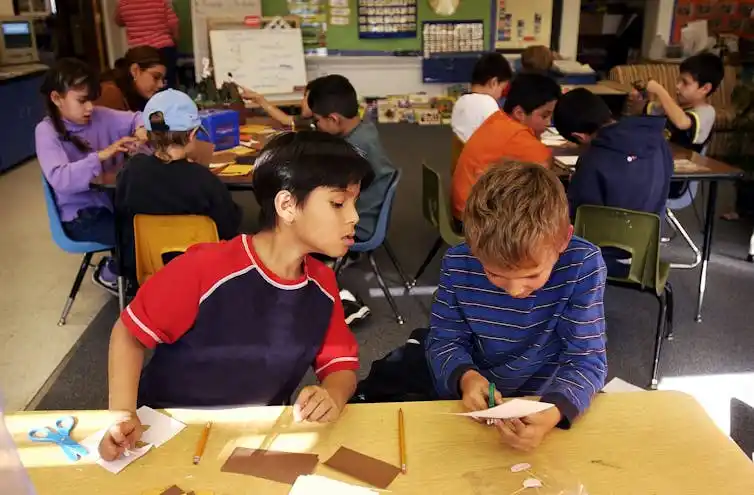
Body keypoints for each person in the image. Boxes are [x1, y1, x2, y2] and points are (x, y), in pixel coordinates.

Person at [98, 131, 373, 461]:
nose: (354, 216)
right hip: (169, 431)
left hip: (252, 440)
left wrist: (332, 394)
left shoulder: (323, 284)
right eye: (339, 203)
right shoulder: (205, 268)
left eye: (355, 203)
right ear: (286, 205)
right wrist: (122, 414)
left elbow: (340, 365)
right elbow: (130, 334)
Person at [426, 162, 607, 452]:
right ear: (472, 245)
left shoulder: (583, 265)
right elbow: (443, 340)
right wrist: (466, 377)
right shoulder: (459, 263)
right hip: (476, 406)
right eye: (495, 274)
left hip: (549, 400)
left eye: (532, 275)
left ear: (563, 240)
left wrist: (553, 411)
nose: (514, 290)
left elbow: (587, 360)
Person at [35, 58, 145, 294]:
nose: (90, 108)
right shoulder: (47, 132)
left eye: (91, 100)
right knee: (137, 235)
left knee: (154, 220)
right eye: (81, 100)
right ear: (56, 98)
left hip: (111, 204)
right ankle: (113, 273)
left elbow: (138, 117)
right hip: (79, 216)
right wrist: (102, 156)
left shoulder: (100, 116)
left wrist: (141, 132)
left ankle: (135, 275)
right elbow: (61, 180)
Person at [115, 89, 242, 283]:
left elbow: (122, 222)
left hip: (148, 274)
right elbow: (229, 230)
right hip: (205, 277)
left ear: (149, 134)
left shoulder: (130, 172)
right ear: (192, 135)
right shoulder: (205, 181)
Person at [307, 74, 398, 324]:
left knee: (294, 225)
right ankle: (335, 289)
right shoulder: (364, 130)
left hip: (360, 222)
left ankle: (338, 298)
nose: (315, 126)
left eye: (317, 121)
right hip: (365, 211)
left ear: (334, 119)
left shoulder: (354, 151)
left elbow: (330, 192)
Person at [451, 73, 560, 219]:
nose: (548, 123)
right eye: (544, 116)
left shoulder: (497, 119)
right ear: (519, 113)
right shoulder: (518, 136)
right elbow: (546, 172)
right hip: (478, 218)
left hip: (466, 206)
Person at [553, 87, 673, 219]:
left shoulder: (592, 160)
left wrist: (575, 184)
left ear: (580, 136)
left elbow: (580, 214)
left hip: (603, 238)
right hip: (650, 236)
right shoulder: (660, 142)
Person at [631, 52, 724, 200]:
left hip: (674, 180)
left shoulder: (706, 112)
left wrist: (660, 91)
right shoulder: (675, 107)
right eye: (678, 80)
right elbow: (642, 111)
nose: (677, 86)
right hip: (653, 168)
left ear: (705, 88)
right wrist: (639, 99)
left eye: (685, 83)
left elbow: (682, 123)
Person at [115, 0, 179, 87]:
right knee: (167, 83)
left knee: (142, 86)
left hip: (140, 52)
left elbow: (119, 21)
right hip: (163, 47)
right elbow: (173, 23)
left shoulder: (124, 3)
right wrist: (175, 41)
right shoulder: (160, 2)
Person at [451, 52, 512, 143]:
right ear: (494, 83)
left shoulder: (460, 101)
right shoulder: (488, 103)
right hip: (484, 155)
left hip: (464, 155)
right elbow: (502, 139)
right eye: (502, 89)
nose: (500, 95)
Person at [97, 46, 167, 112]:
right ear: (135, 71)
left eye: (163, 79)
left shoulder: (135, 96)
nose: (161, 85)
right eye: (156, 77)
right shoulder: (109, 93)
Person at [238, 80, 317, 130]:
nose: (302, 102)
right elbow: (285, 120)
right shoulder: (311, 121)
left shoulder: (318, 127)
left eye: (305, 97)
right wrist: (260, 99)